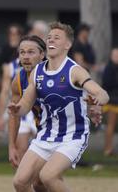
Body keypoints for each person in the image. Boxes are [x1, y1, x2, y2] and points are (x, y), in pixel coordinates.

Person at [10, 22, 109, 192]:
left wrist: (97, 100)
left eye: (56, 38)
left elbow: (102, 93)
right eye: (49, 37)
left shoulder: (75, 71)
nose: (51, 40)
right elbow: (26, 102)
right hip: (46, 135)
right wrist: (18, 109)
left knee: (48, 176)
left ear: (67, 45)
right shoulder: (38, 71)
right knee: (20, 182)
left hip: (73, 136)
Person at [7, 35, 48, 192]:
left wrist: (93, 106)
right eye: (22, 52)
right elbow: (15, 114)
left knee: (45, 179)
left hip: (64, 135)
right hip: (44, 135)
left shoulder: (56, 74)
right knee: (30, 183)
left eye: (31, 52)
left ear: (42, 55)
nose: (25, 56)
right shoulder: (18, 80)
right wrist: (11, 147)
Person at [102, 47, 118, 156]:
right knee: (110, 125)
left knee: (111, 126)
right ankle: (107, 149)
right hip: (112, 101)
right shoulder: (109, 68)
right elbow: (107, 84)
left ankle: (110, 148)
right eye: (116, 56)